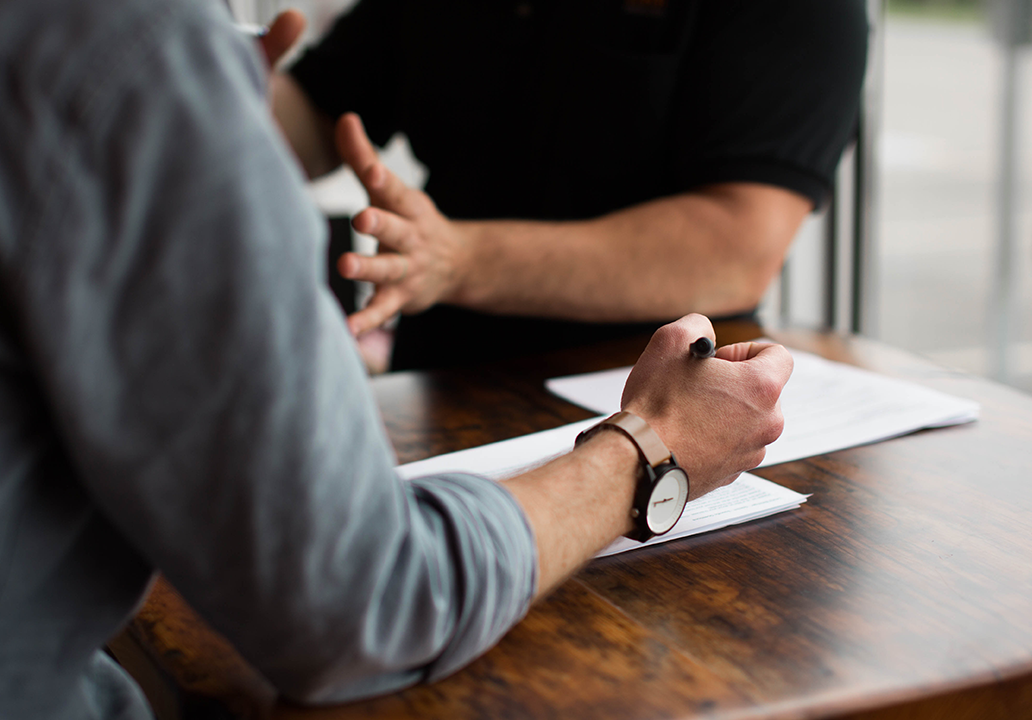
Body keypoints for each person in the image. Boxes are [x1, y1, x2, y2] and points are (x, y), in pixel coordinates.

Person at [0, 0, 794, 718]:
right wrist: (651, 447)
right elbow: (360, 601)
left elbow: (741, 242)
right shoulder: (130, 43)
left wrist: (206, 110)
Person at [273, 0, 870, 371]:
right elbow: (319, 111)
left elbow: (736, 247)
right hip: (442, 385)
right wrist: (208, 98)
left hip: (653, 406)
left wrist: (456, 259)